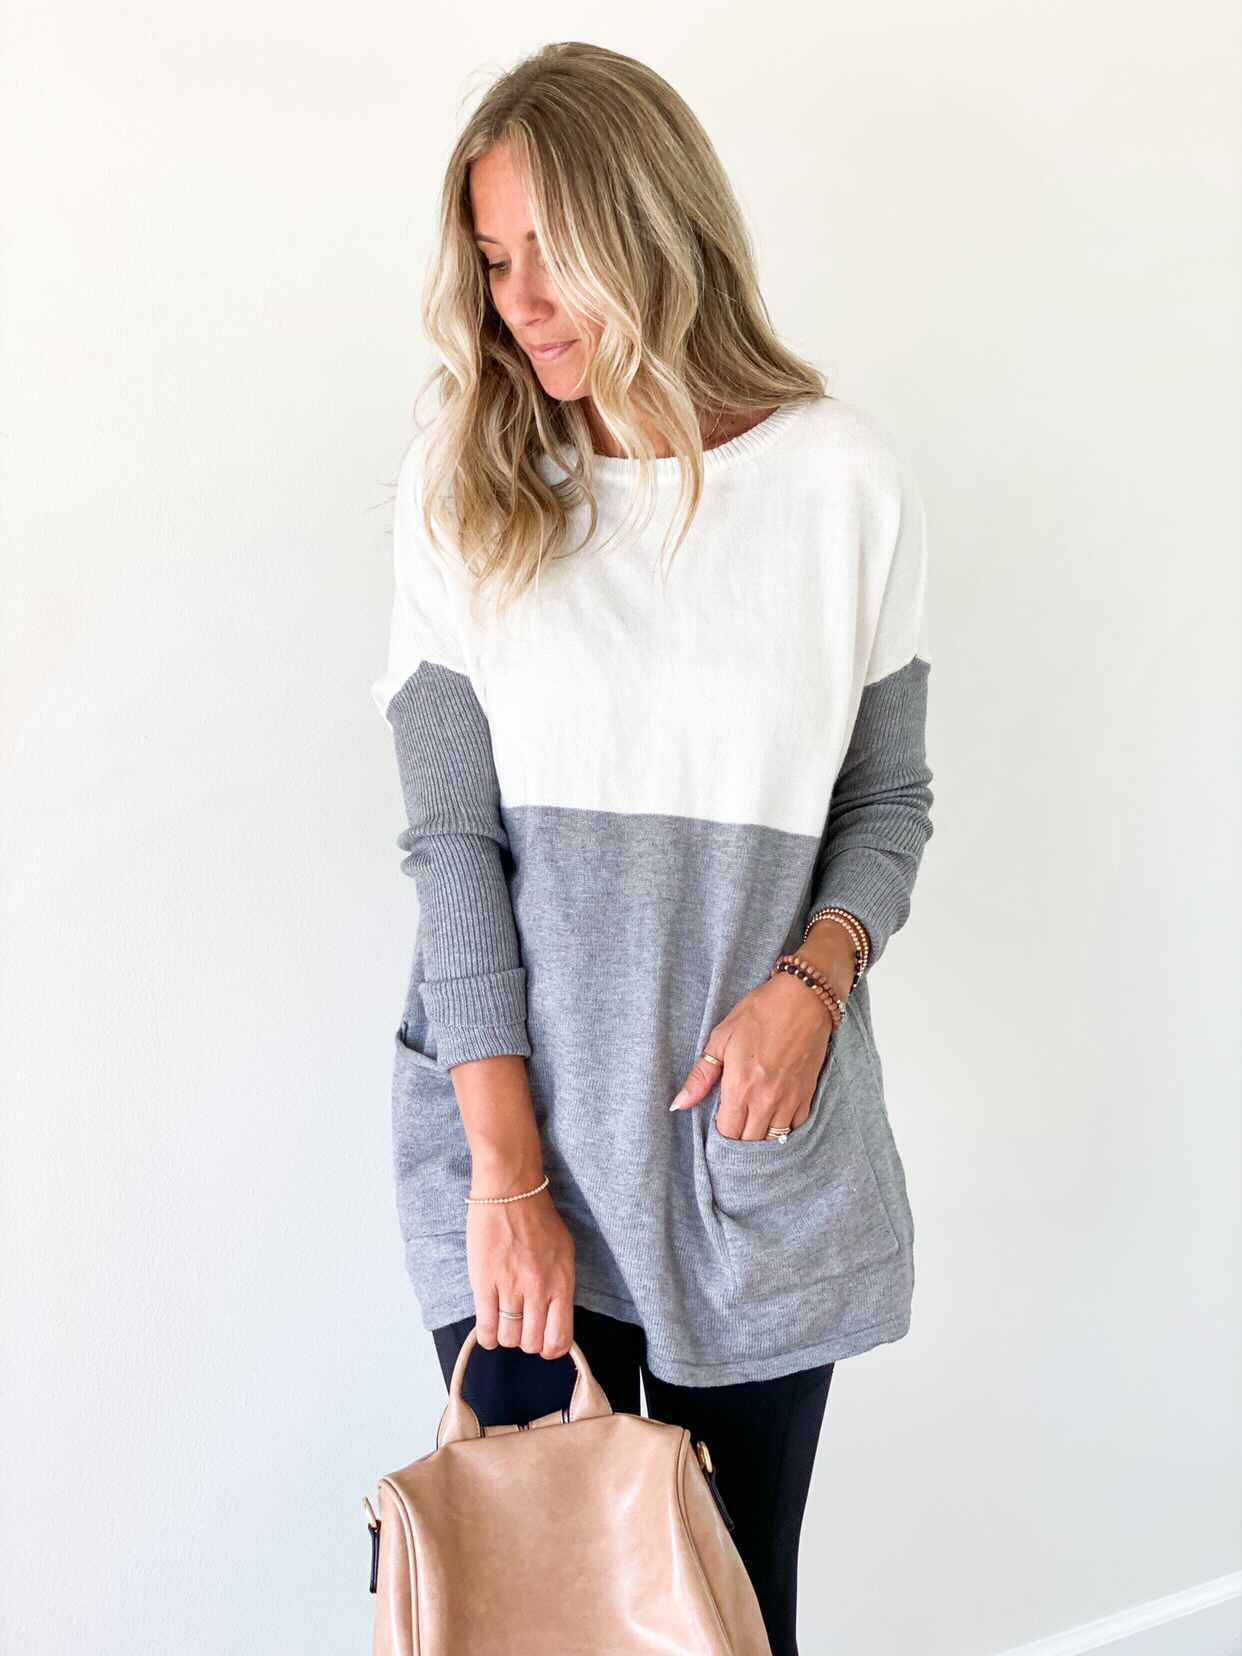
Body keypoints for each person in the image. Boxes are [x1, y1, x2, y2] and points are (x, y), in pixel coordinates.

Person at [369, 42, 935, 1655]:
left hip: (740, 1160)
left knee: (729, 1616)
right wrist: (506, 1179)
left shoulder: (837, 483)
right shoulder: (464, 485)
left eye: (554, 253)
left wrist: (811, 985)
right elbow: (450, 843)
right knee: (531, 1610)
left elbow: (885, 802)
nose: (522, 304)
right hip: (511, 1141)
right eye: (493, 262)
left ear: (655, 230)